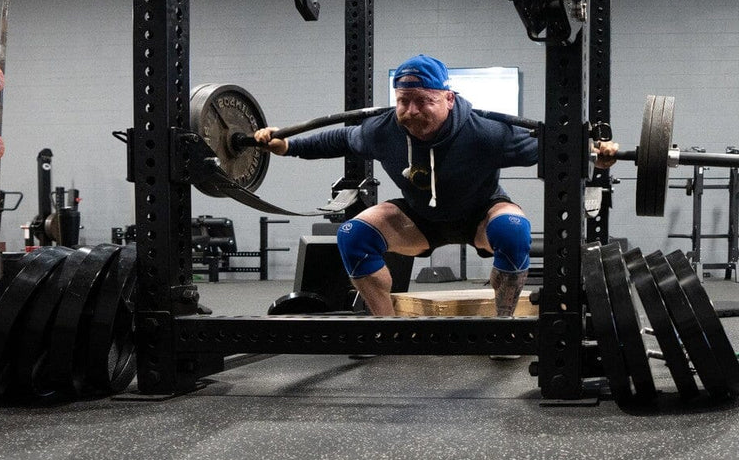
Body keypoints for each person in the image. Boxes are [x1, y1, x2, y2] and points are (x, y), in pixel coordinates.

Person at [255, 54, 617, 320]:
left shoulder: (485, 133)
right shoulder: (383, 131)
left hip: (480, 214)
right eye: (403, 101)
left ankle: (502, 326)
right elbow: (340, 139)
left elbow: (553, 151)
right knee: (353, 234)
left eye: (424, 101)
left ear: (448, 98)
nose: (412, 112)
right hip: (418, 220)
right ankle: (385, 327)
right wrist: (288, 145)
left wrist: (594, 156)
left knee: (513, 229)